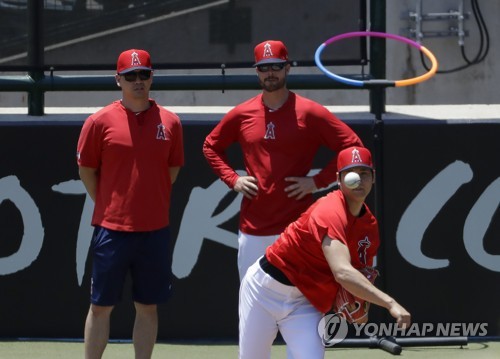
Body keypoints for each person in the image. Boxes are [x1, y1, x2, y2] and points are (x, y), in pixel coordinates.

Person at [203, 40, 364, 280]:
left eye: (276, 66)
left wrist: (318, 181)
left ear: (287, 68)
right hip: (254, 229)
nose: (270, 73)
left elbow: (353, 147)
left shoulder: (309, 112)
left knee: (300, 301)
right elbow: (210, 146)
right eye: (264, 67)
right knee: (252, 301)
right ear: (256, 71)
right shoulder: (242, 113)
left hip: (299, 225)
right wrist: (233, 179)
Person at [238, 146, 411, 359]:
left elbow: (357, 273)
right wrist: (389, 303)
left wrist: (358, 299)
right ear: (339, 179)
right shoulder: (328, 210)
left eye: (364, 173)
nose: (359, 178)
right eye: (351, 173)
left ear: (373, 178)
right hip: (263, 291)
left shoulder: (369, 225)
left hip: (305, 301)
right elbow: (343, 273)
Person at [76, 49, 184, 359]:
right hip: (112, 230)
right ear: (118, 80)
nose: (138, 81)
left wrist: (147, 198)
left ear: (152, 77)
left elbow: (172, 170)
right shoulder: (98, 122)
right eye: (131, 76)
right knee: (101, 306)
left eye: (144, 74)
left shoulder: (171, 122)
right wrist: (111, 204)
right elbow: (86, 170)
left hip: (154, 230)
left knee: (147, 305)